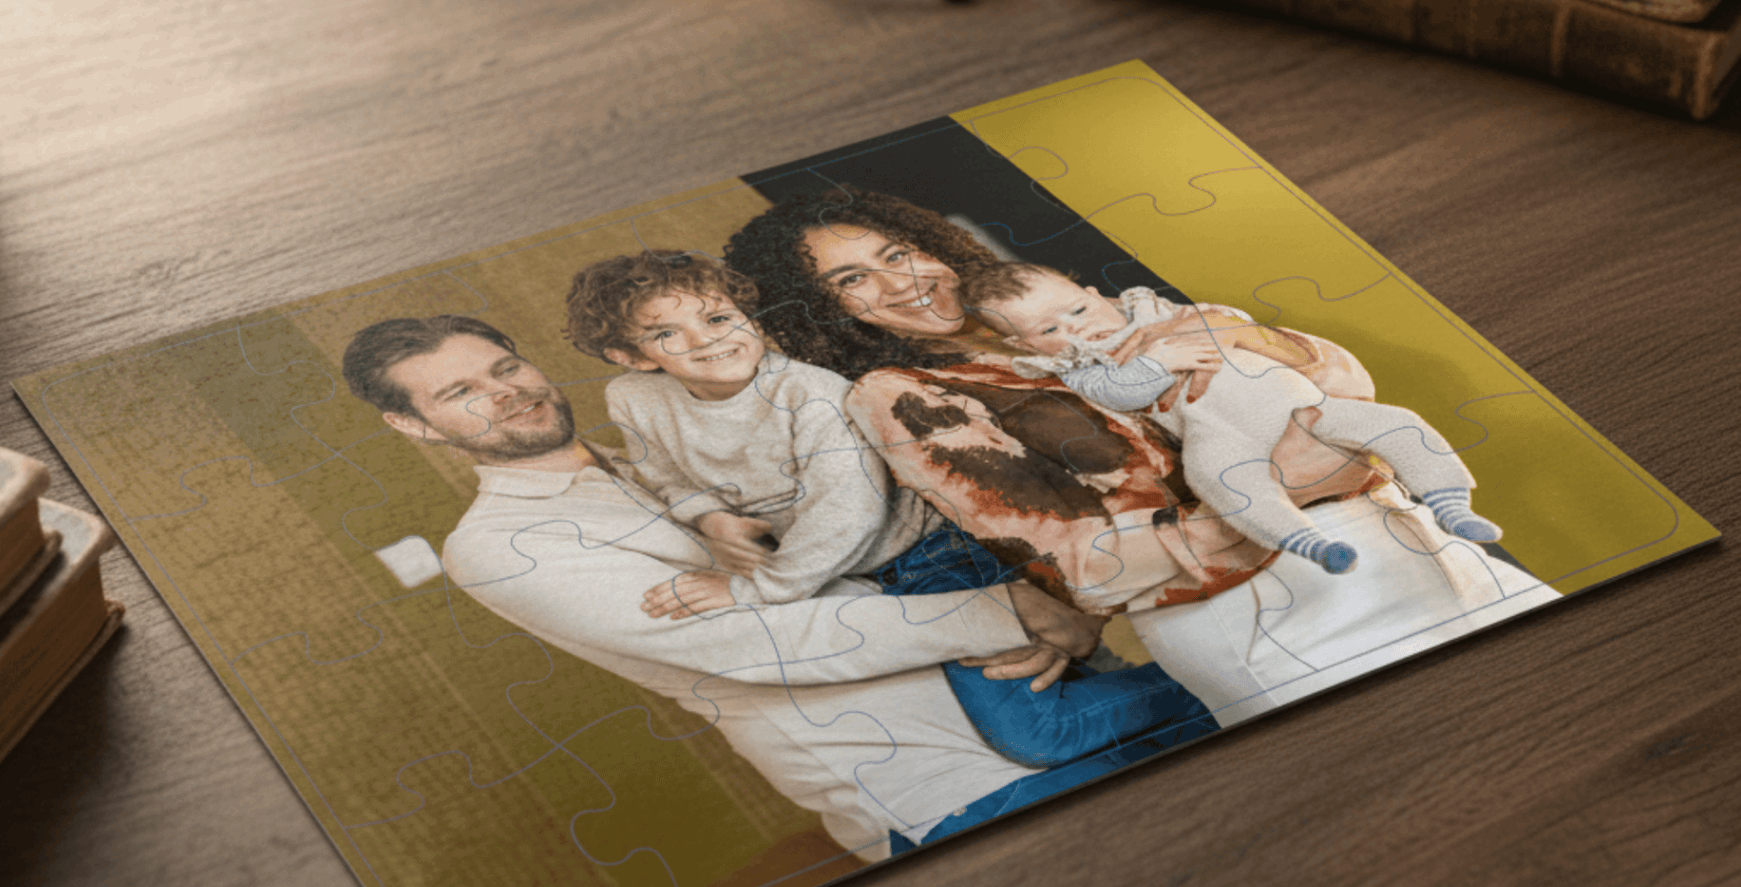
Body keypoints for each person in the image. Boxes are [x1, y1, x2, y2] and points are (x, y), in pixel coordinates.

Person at [339, 314, 1211, 860]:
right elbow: (753, 642)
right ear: (413, 424)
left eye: (504, 368)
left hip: (1060, 687)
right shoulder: (495, 546)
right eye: (460, 392)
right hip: (949, 786)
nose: (504, 394)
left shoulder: (664, 444)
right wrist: (1012, 608)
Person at [722, 187, 1559, 725]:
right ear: (826, 313)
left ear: (930, 242)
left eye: (897, 252)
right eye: (851, 281)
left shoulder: (1070, 304)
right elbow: (1086, 565)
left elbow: (1339, 379)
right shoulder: (901, 393)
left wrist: (1248, 340)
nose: (900, 283)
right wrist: (1284, 497)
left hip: (1423, 548)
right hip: (1263, 612)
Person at [558, 247, 1219, 771]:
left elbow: (848, 512)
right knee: (1055, 697)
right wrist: (708, 515)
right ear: (629, 357)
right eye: (666, 334)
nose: (706, 341)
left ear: (747, 314)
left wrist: (755, 589)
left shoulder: (812, 395)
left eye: (718, 317)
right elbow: (659, 467)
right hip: (854, 577)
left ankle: (1217, 692)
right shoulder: (633, 399)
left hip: (937, 558)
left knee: (1038, 734)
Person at [961, 261, 1503, 576]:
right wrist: (1159, 362)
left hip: (1299, 404)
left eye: (1078, 310)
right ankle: (1310, 542)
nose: (1076, 330)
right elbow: (1119, 394)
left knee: (1398, 424)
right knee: (1224, 481)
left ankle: (1451, 502)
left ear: (1093, 293)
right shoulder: (1082, 369)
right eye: (1049, 330)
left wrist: (1216, 326)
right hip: (1218, 432)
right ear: (1023, 346)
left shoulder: (1156, 312)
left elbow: (1233, 320)